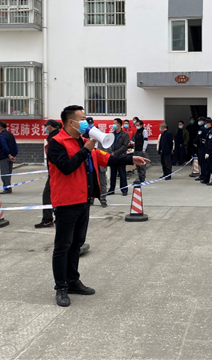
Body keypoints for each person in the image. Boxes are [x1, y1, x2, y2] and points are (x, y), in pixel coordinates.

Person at [48, 105, 149, 306]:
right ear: (71, 122)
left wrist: (131, 158)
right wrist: (85, 150)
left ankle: (73, 281)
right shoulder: (57, 143)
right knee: (63, 246)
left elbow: (107, 158)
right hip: (66, 202)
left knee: (76, 244)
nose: (85, 122)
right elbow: (66, 167)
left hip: (84, 200)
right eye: (82, 119)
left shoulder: (84, 142)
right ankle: (61, 287)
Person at [35, 120, 61, 228]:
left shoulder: (54, 139)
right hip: (56, 172)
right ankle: (56, 218)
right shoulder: (56, 136)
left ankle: (47, 219)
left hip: (55, 173)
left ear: (51, 127)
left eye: (46, 126)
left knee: (47, 195)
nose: (45, 128)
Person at [106, 118, 130, 196]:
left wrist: (115, 153)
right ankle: (111, 189)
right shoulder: (111, 134)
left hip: (121, 157)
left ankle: (124, 189)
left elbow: (124, 146)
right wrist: (110, 152)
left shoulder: (125, 135)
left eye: (114, 123)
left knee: (122, 173)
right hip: (112, 157)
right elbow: (108, 144)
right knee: (112, 174)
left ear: (119, 125)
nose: (113, 125)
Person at [0, 121, 18, 194]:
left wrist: (9, 154)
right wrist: (14, 155)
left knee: (5, 173)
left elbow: (4, 146)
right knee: (8, 173)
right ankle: (8, 187)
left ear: (0, 127)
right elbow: (15, 145)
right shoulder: (10, 134)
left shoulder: (2, 135)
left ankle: (7, 188)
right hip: (11, 156)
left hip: (4, 156)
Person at [202, 118, 212, 186]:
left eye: (206, 123)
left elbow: (210, 144)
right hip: (208, 151)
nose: (205, 125)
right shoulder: (209, 131)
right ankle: (206, 179)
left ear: (210, 124)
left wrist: (208, 152)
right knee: (207, 167)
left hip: (211, 153)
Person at [193, 117, 208, 182]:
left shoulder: (203, 129)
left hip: (202, 147)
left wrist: (194, 142)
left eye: (200, 121)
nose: (199, 122)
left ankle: (203, 175)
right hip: (202, 146)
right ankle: (203, 175)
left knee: (202, 162)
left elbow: (198, 136)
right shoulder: (205, 128)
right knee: (202, 162)